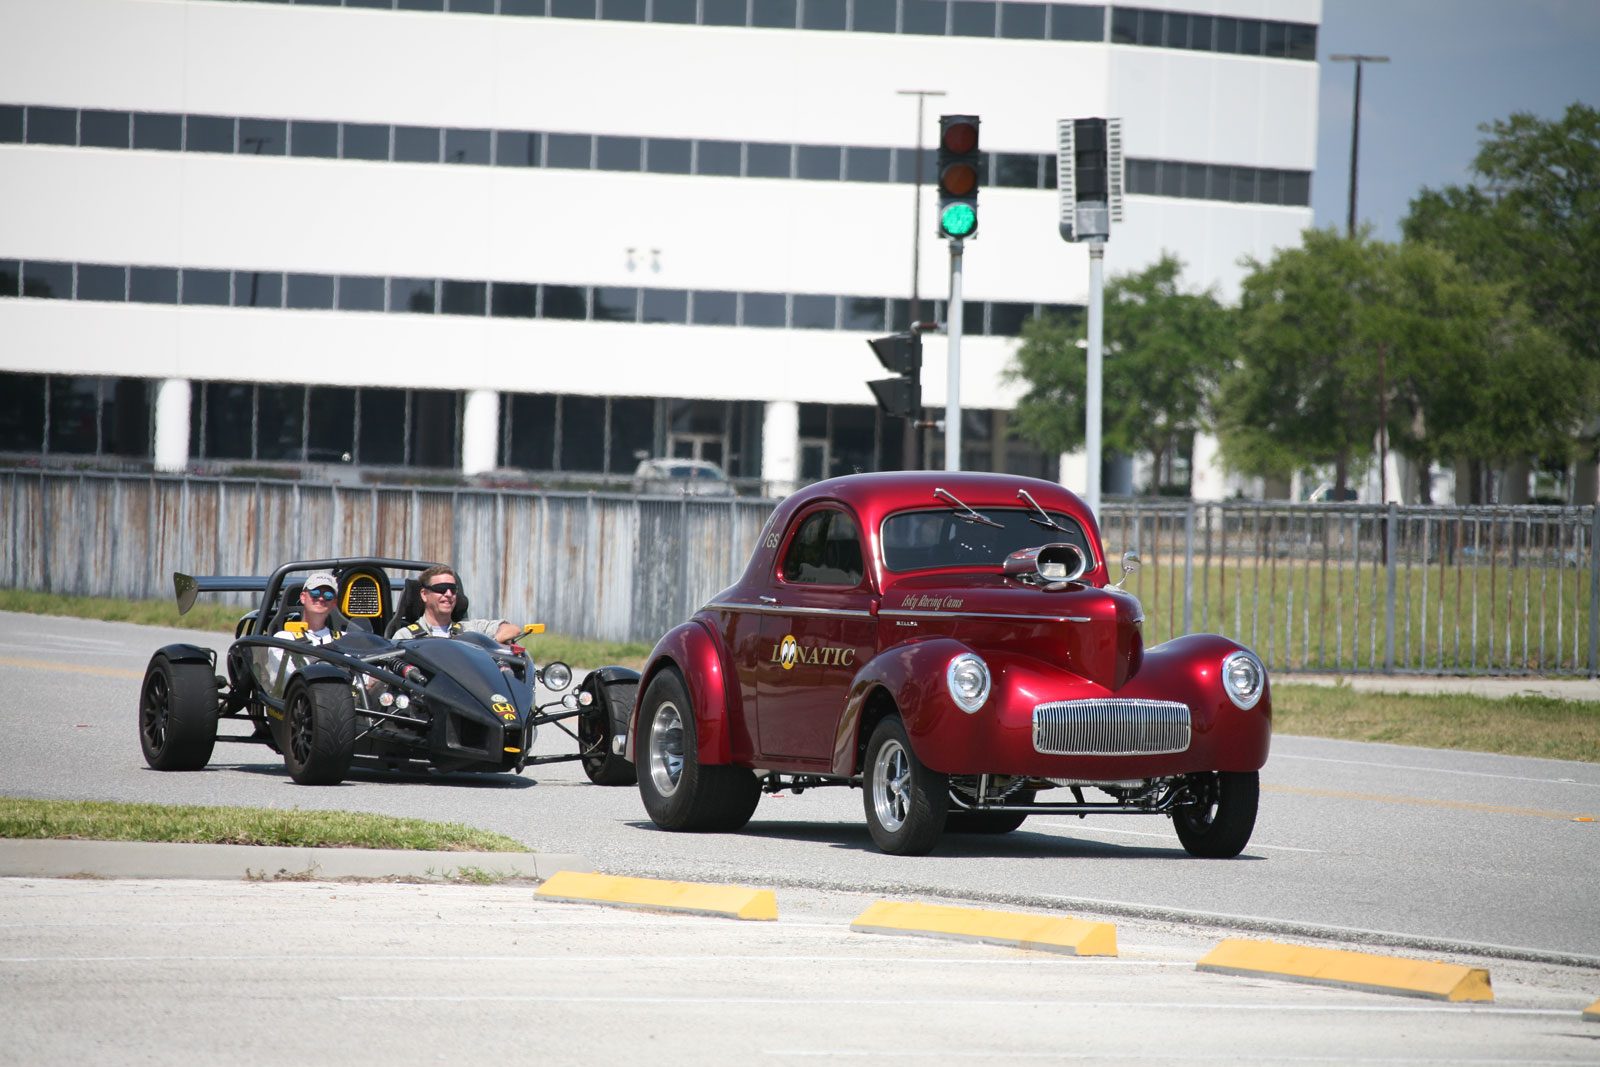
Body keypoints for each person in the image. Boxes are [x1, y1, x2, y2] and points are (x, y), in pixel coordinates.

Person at [392, 564, 521, 643]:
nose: (448, 594)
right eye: (441, 588)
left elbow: (512, 629)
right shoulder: (405, 636)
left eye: (452, 589)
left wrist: (486, 644)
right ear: (424, 594)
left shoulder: (470, 629)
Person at [266, 570, 345, 694]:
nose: (321, 598)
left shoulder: (344, 639)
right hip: (300, 704)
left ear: (334, 603)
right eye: (315, 593)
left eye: (328, 595)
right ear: (303, 597)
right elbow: (283, 681)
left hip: (342, 702)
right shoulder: (284, 638)